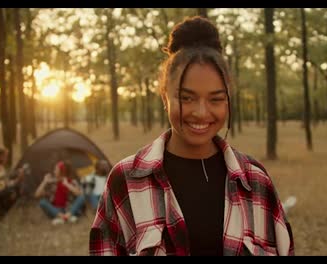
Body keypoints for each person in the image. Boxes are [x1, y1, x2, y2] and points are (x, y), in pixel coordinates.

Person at [89, 16, 294, 256]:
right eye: (186, 98)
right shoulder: (125, 181)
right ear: (165, 96)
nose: (200, 112)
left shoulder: (256, 182)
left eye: (216, 99)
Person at [34, 160, 85, 225]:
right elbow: (36, 195)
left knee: (82, 198)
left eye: (55, 169)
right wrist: (44, 181)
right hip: (56, 210)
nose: (54, 171)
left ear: (61, 171)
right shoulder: (52, 183)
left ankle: (65, 217)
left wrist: (67, 184)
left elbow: (79, 194)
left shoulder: (71, 181)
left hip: (69, 209)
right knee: (42, 202)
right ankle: (66, 217)